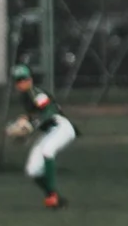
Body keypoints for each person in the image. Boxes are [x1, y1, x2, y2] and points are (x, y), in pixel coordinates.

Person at [11, 64, 79, 209]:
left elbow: (49, 111)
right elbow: (34, 118)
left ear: (30, 79)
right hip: (49, 132)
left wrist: (30, 124)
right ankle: (54, 198)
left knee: (47, 151)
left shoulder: (36, 93)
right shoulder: (25, 97)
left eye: (24, 79)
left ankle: (53, 197)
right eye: (18, 80)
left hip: (61, 127)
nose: (22, 82)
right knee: (32, 170)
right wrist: (25, 131)